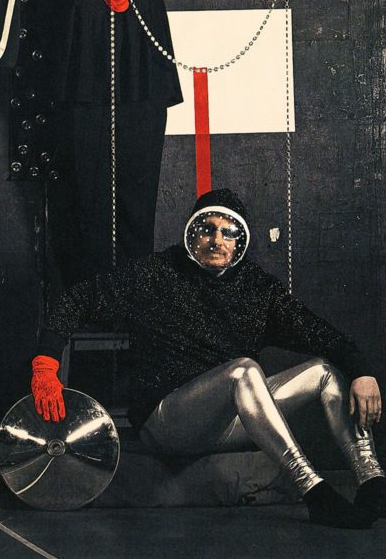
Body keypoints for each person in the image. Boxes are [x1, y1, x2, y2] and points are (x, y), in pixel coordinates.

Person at [13, 0, 301, 287]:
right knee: (87, 199)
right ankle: (93, 298)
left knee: (137, 196)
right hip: (82, 93)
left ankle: (136, 296)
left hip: (142, 90)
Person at [29, 188, 385, 529]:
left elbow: (320, 333)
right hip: (165, 421)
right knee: (244, 370)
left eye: (229, 232)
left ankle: (372, 482)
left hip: (232, 420)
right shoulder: (157, 273)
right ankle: (313, 490)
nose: (217, 240)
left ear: (241, 242)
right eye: (207, 229)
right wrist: (46, 363)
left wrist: (362, 372)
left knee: (325, 371)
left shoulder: (258, 288)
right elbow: (78, 299)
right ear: (191, 234)